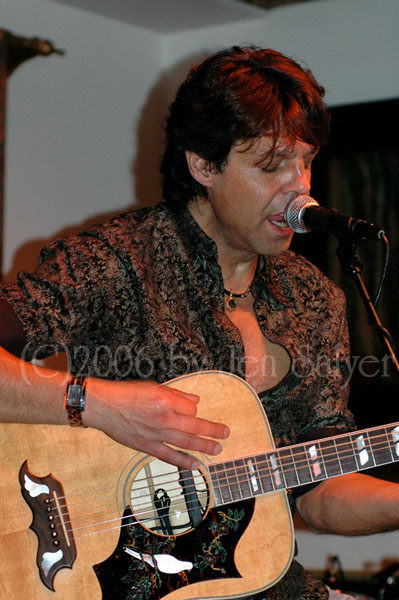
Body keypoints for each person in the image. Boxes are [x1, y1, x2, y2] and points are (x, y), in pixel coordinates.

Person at [0, 45, 398, 600]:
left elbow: (318, 493)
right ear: (203, 165)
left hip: (259, 585)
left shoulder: (315, 299)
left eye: (304, 160)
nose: (299, 187)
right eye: (270, 166)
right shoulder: (115, 261)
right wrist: (98, 404)